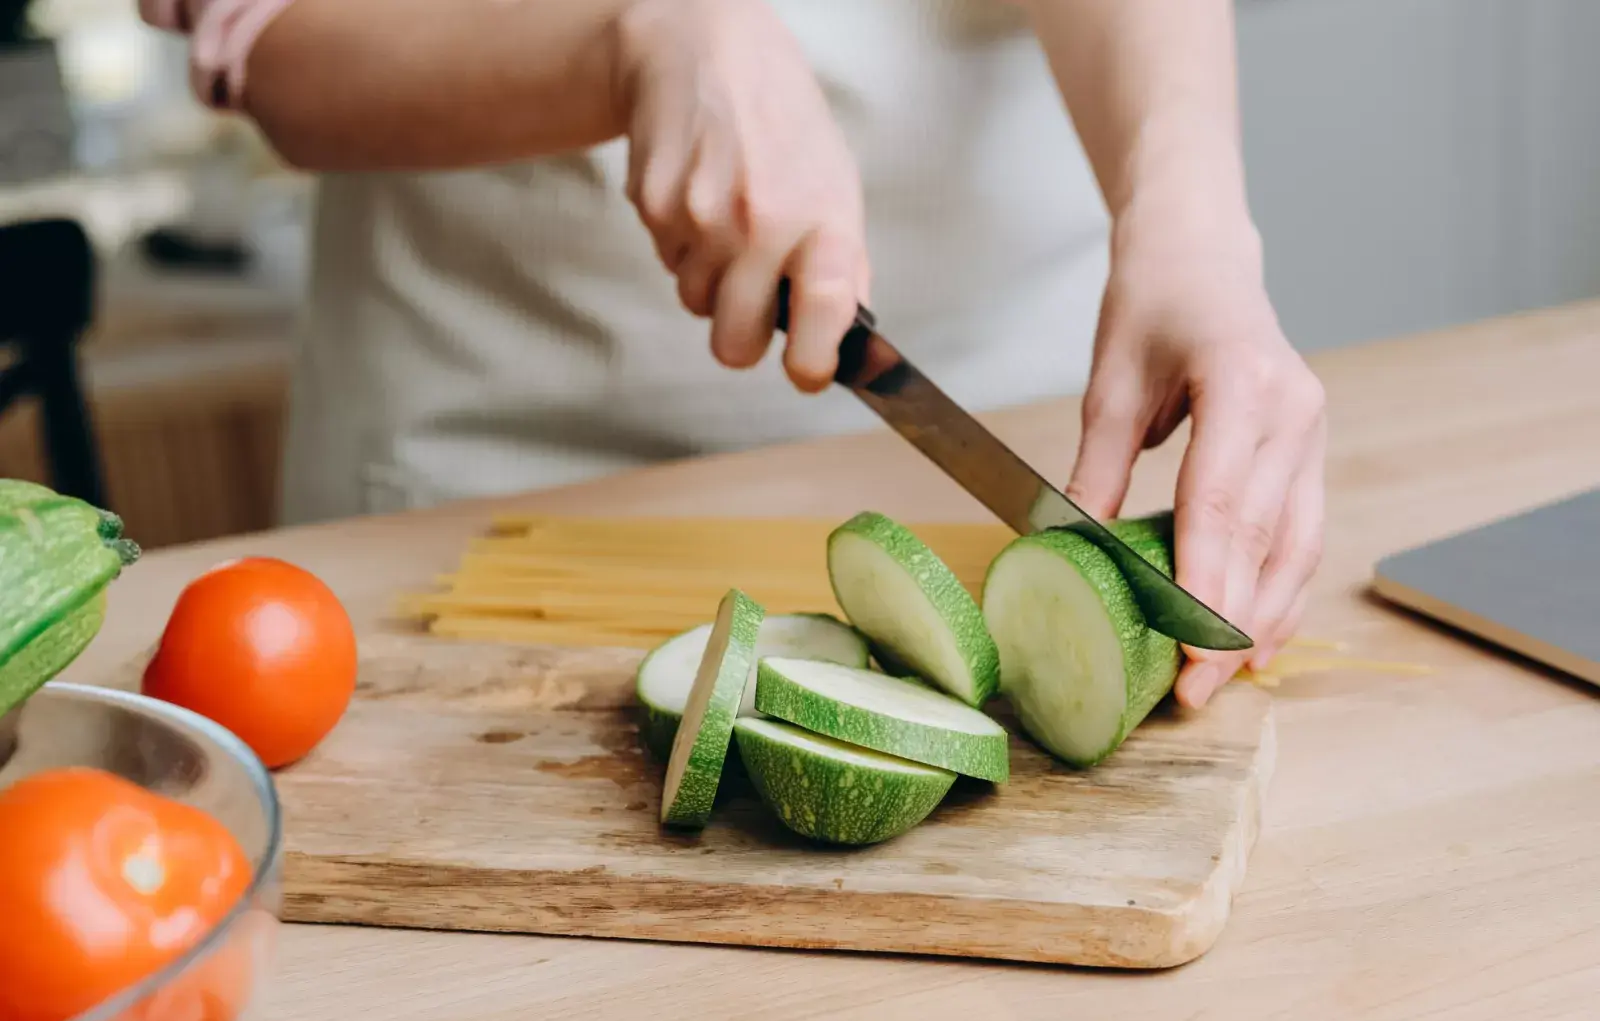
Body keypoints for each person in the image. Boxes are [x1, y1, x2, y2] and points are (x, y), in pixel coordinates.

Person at [139, 0, 1325, 708]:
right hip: (498, 469)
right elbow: (272, 32)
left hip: (1019, 389)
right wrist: (632, 30)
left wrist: (1189, 210)